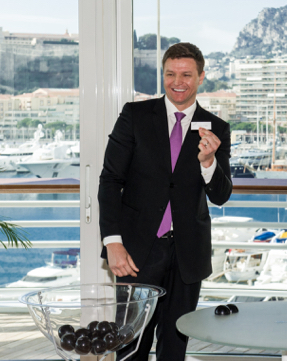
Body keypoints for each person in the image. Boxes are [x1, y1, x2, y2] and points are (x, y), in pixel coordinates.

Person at [98, 42, 232, 361]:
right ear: (163, 75)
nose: (177, 81)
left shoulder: (216, 129)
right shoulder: (135, 115)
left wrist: (208, 162)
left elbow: (221, 195)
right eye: (170, 73)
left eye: (186, 74)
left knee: (174, 347)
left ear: (201, 77)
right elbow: (110, 180)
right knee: (131, 345)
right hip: (137, 251)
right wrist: (112, 242)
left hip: (188, 254)